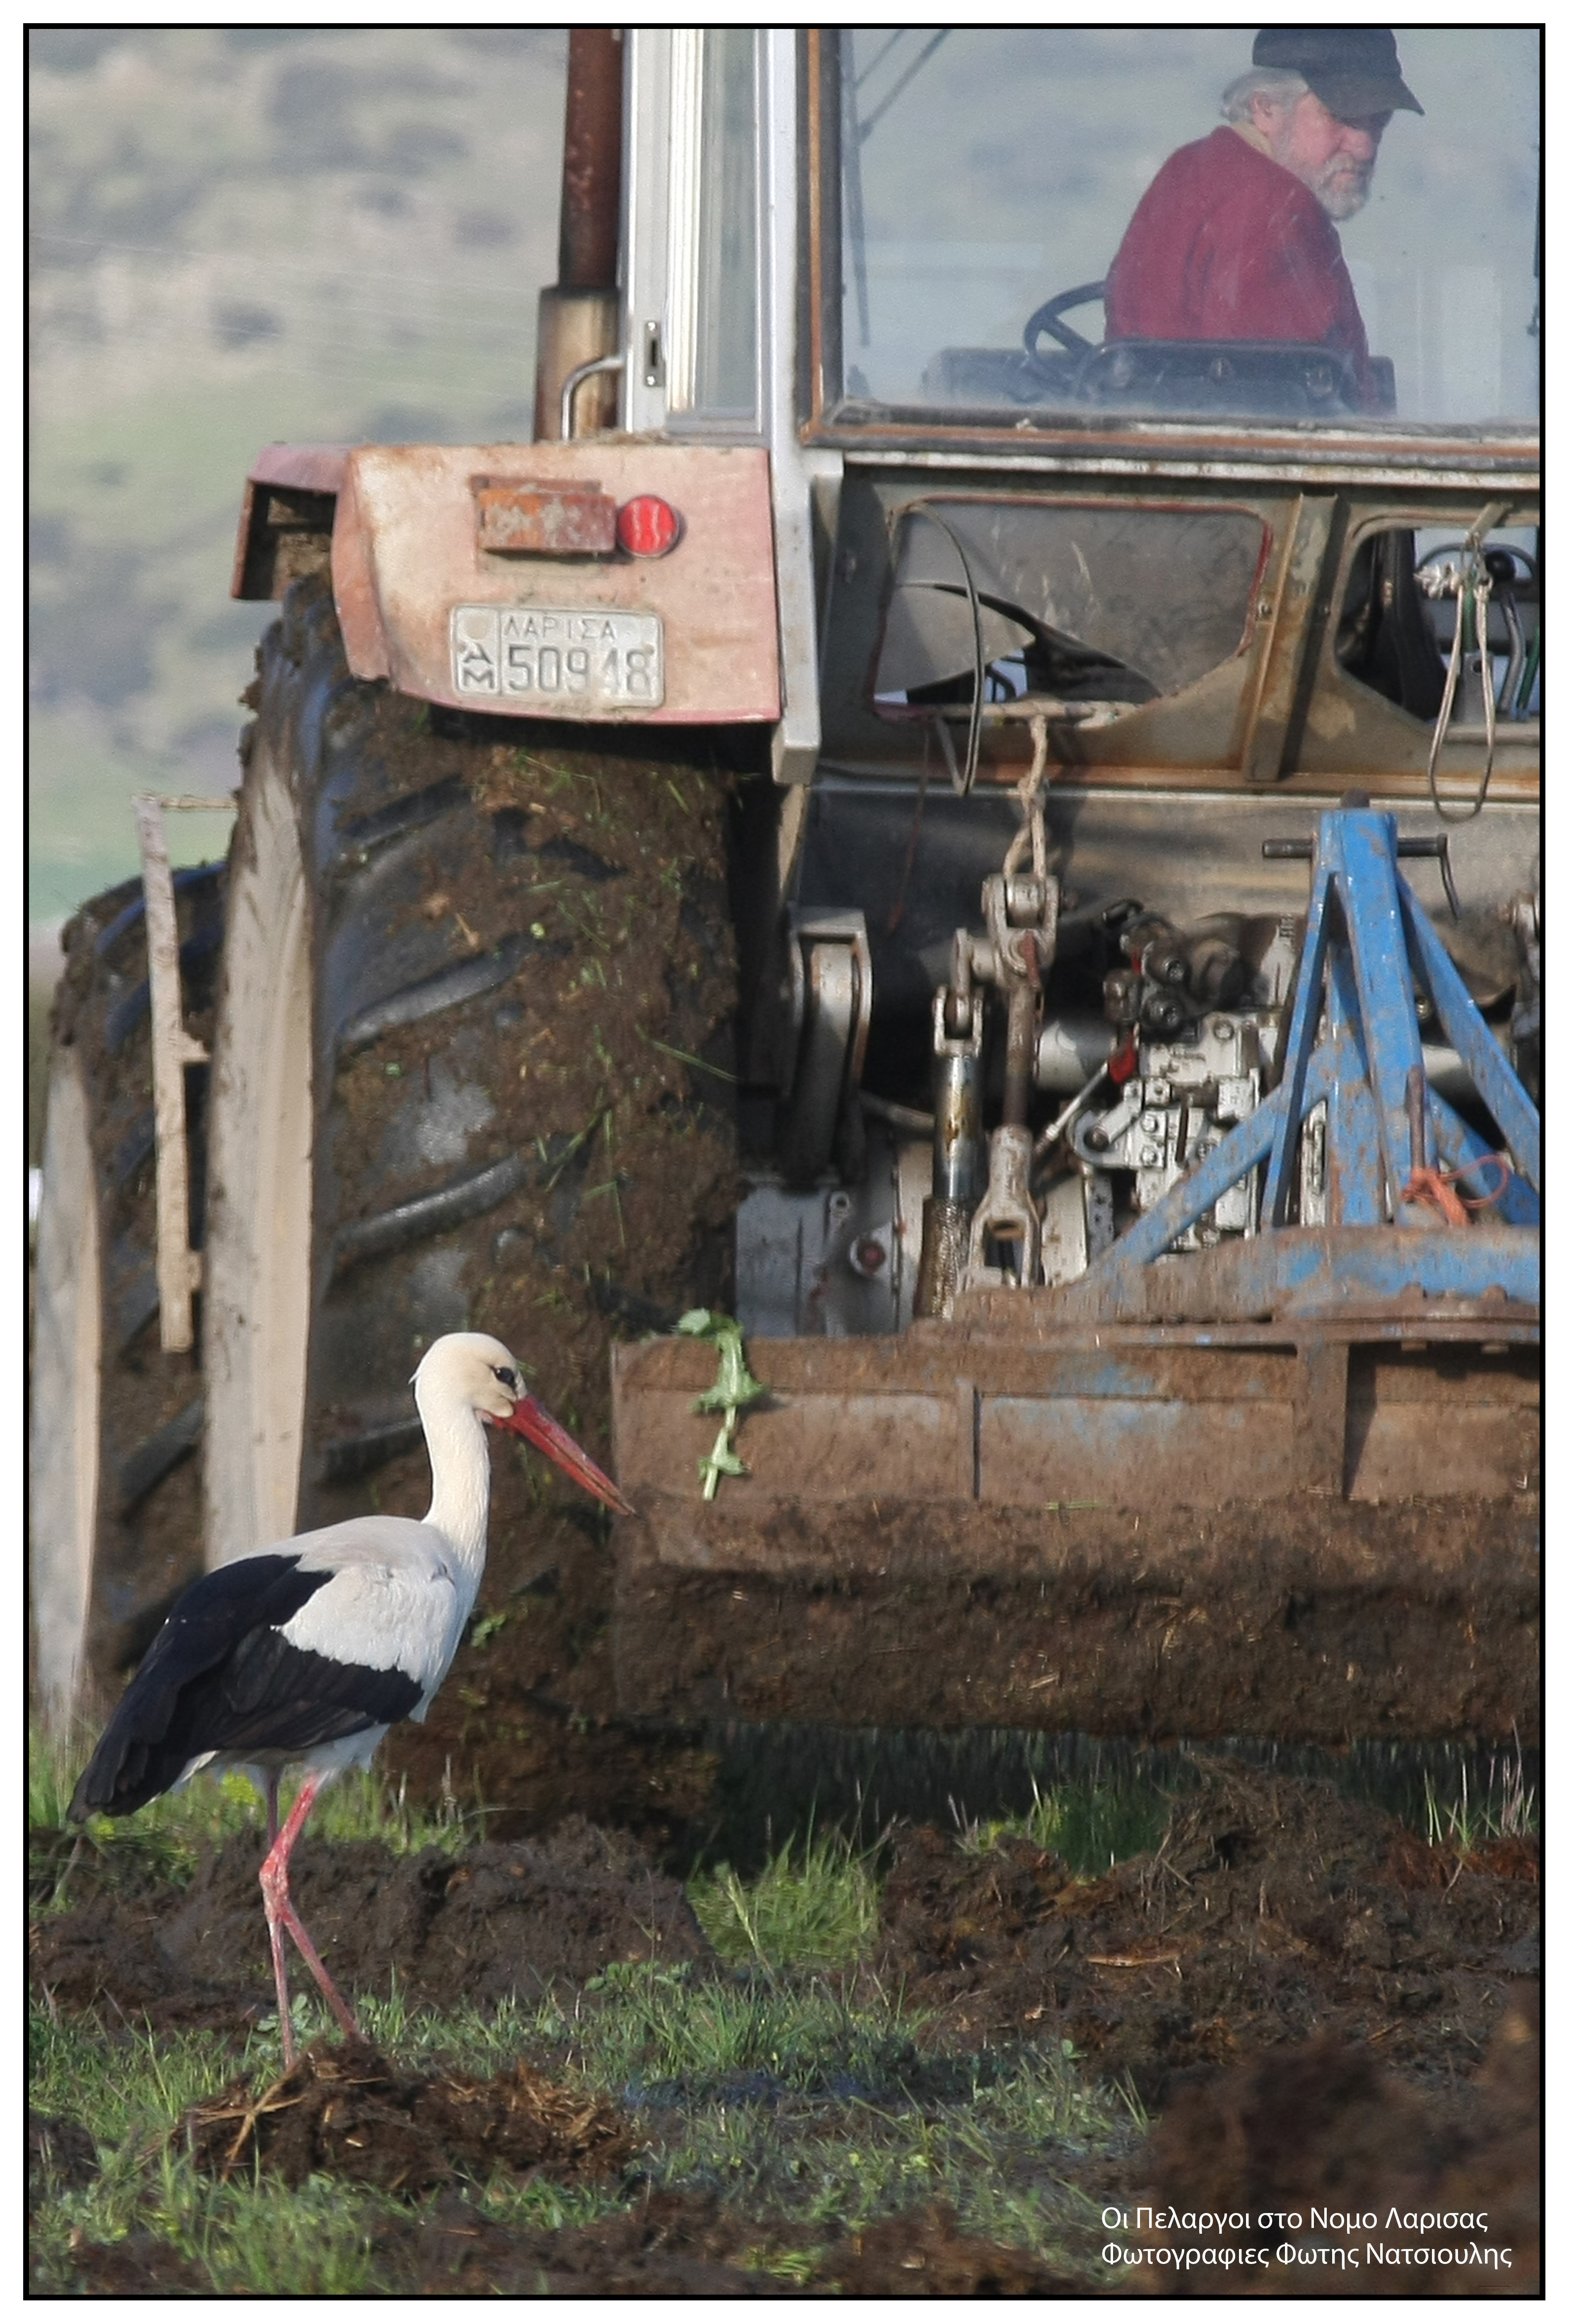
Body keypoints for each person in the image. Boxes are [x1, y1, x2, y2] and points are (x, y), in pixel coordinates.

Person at [1103, 27, 1422, 409]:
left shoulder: (1188, 168)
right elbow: (1279, 405)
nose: (1365, 146)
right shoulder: (1279, 210)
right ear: (1265, 109)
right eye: (1339, 117)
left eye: (1378, 122)